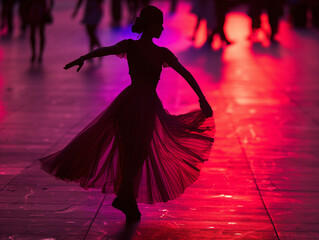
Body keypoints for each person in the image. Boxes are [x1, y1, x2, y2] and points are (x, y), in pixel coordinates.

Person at [39, 6, 215, 222]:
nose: (161, 28)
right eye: (159, 24)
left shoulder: (140, 48)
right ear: (150, 25)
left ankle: (127, 198)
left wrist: (84, 57)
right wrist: (202, 98)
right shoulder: (158, 52)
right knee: (136, 152)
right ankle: (125, 197)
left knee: (131, 152)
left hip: (130, 102)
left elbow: (104, 50)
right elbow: (185, 74)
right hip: (144, 105)